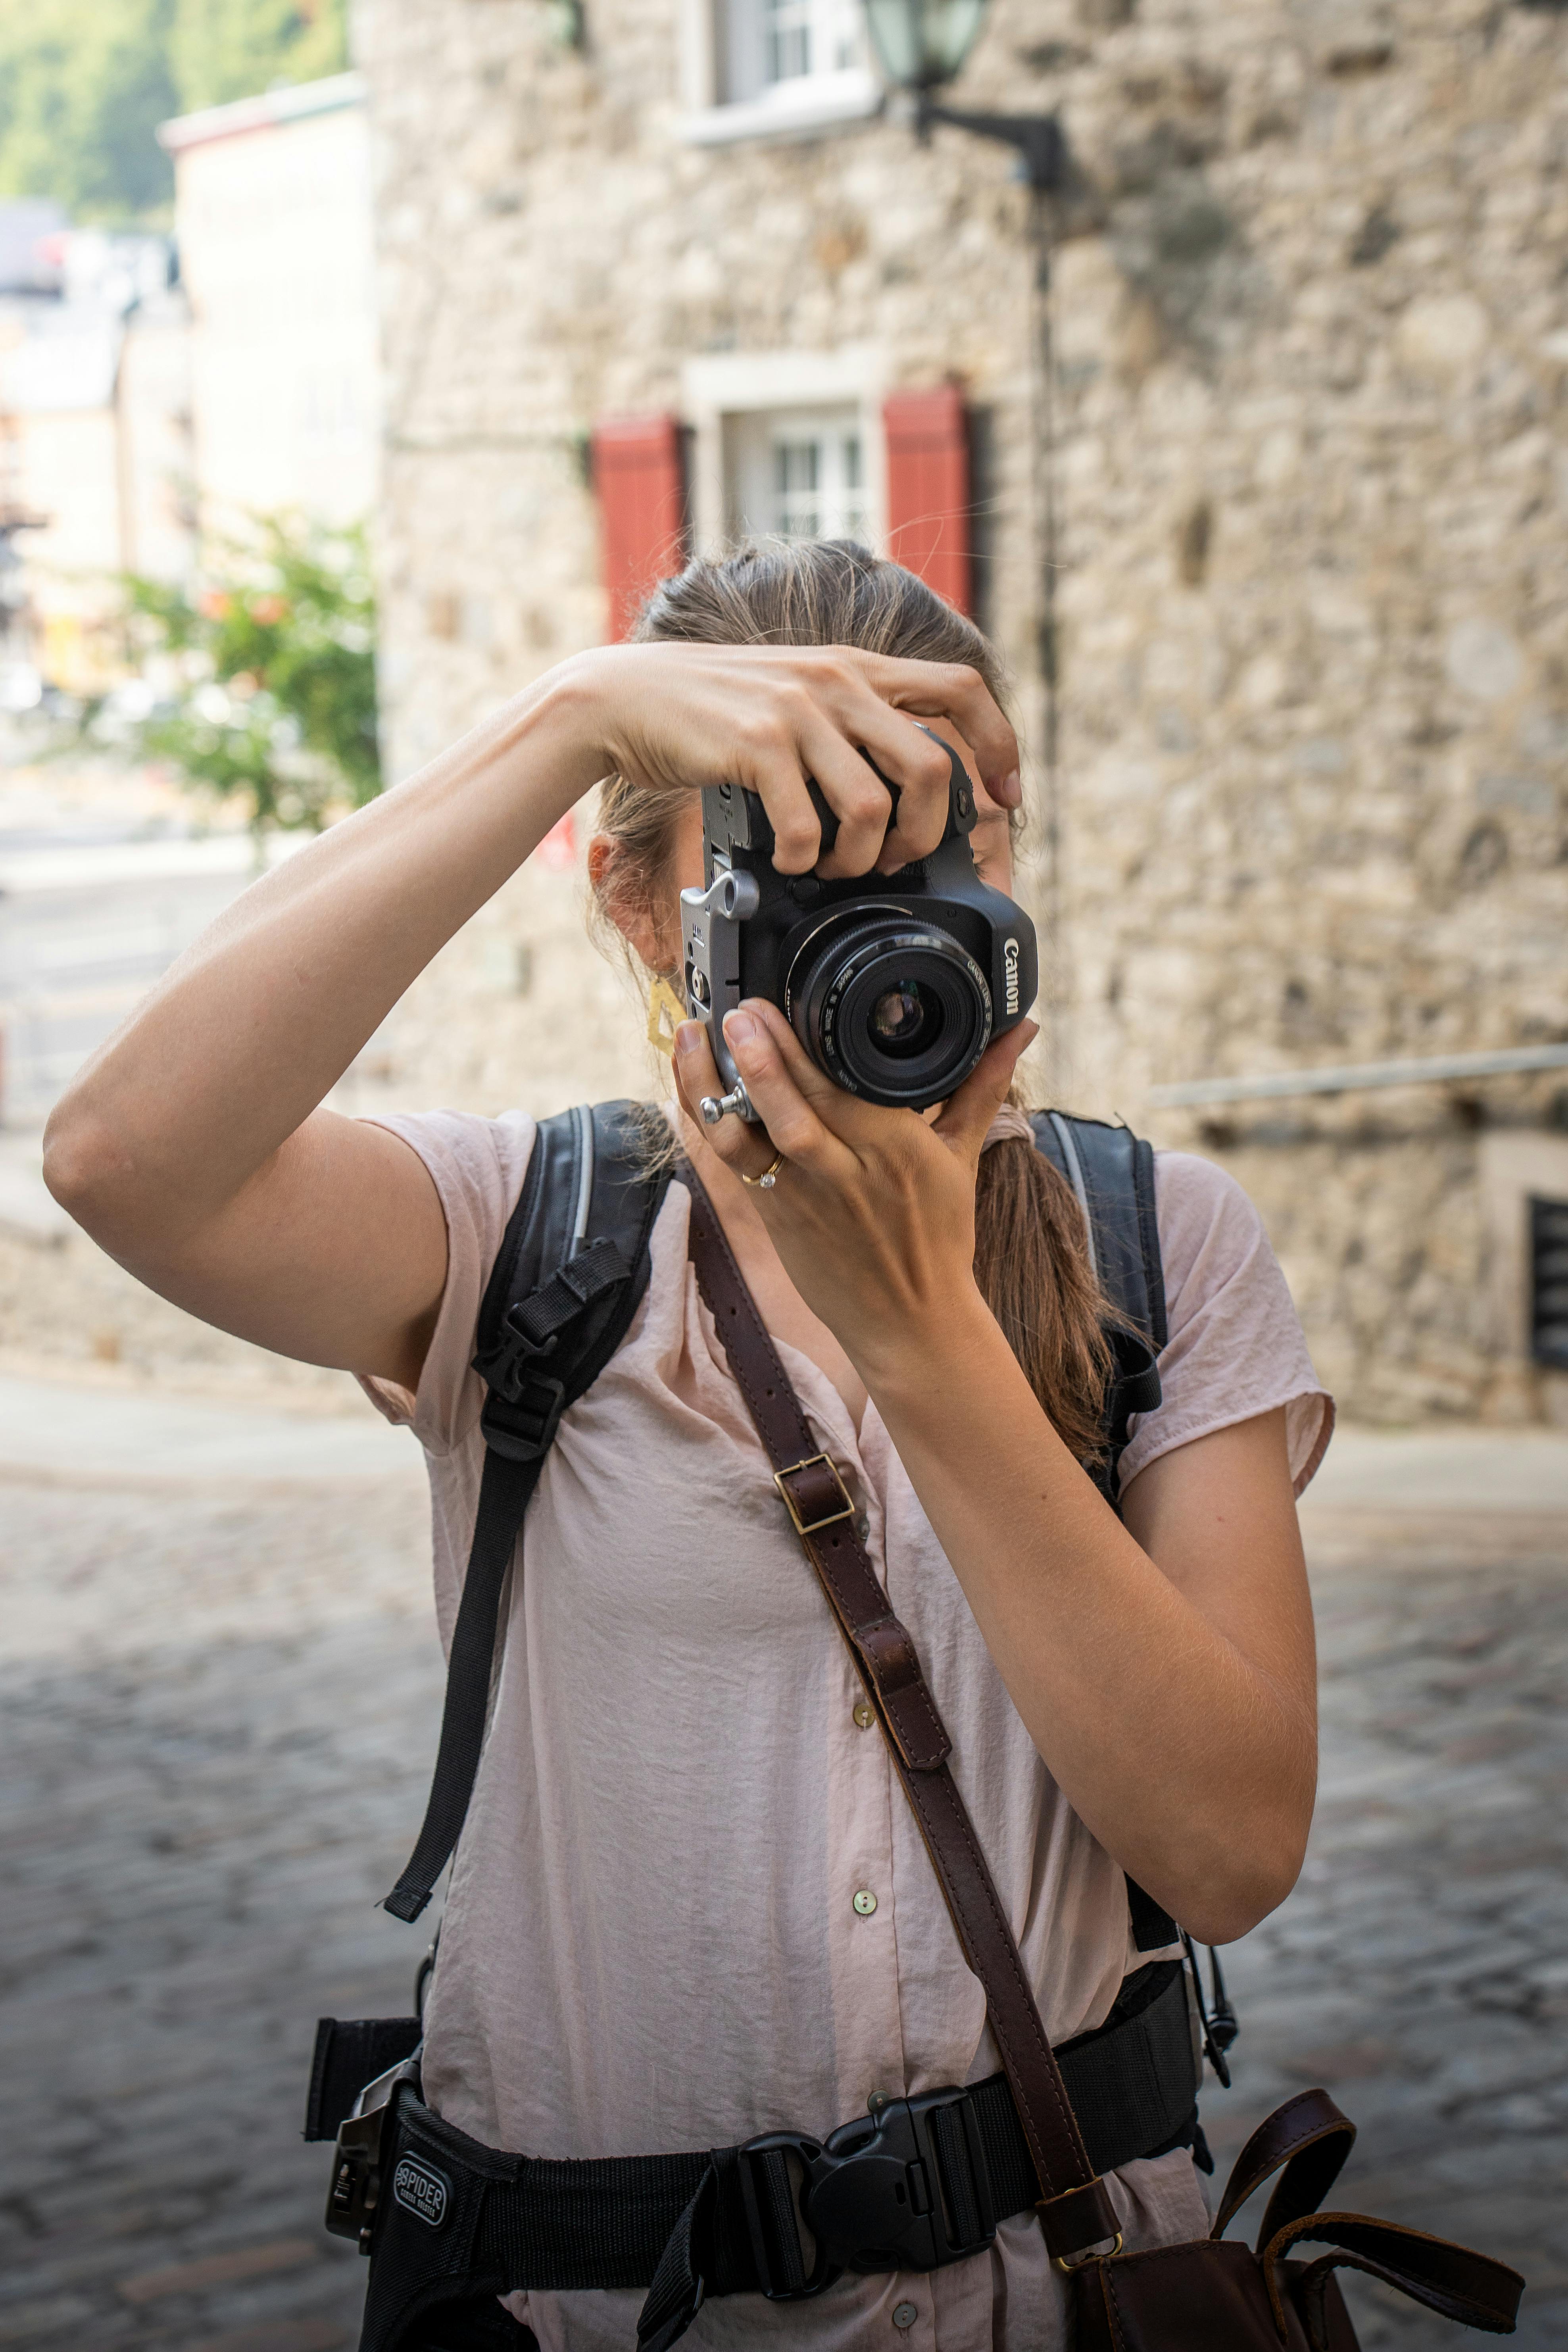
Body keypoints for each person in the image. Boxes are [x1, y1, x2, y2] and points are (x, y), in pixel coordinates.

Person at [44, 541, 1331, 2350]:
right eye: (796, 860)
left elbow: (1227, 1853)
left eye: (939, 847)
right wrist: (575, 714)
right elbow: (122, 1161)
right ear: (643, 900)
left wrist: (927, 1343)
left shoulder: (1159, 1242)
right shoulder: (519, 1236)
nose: (881, 915)